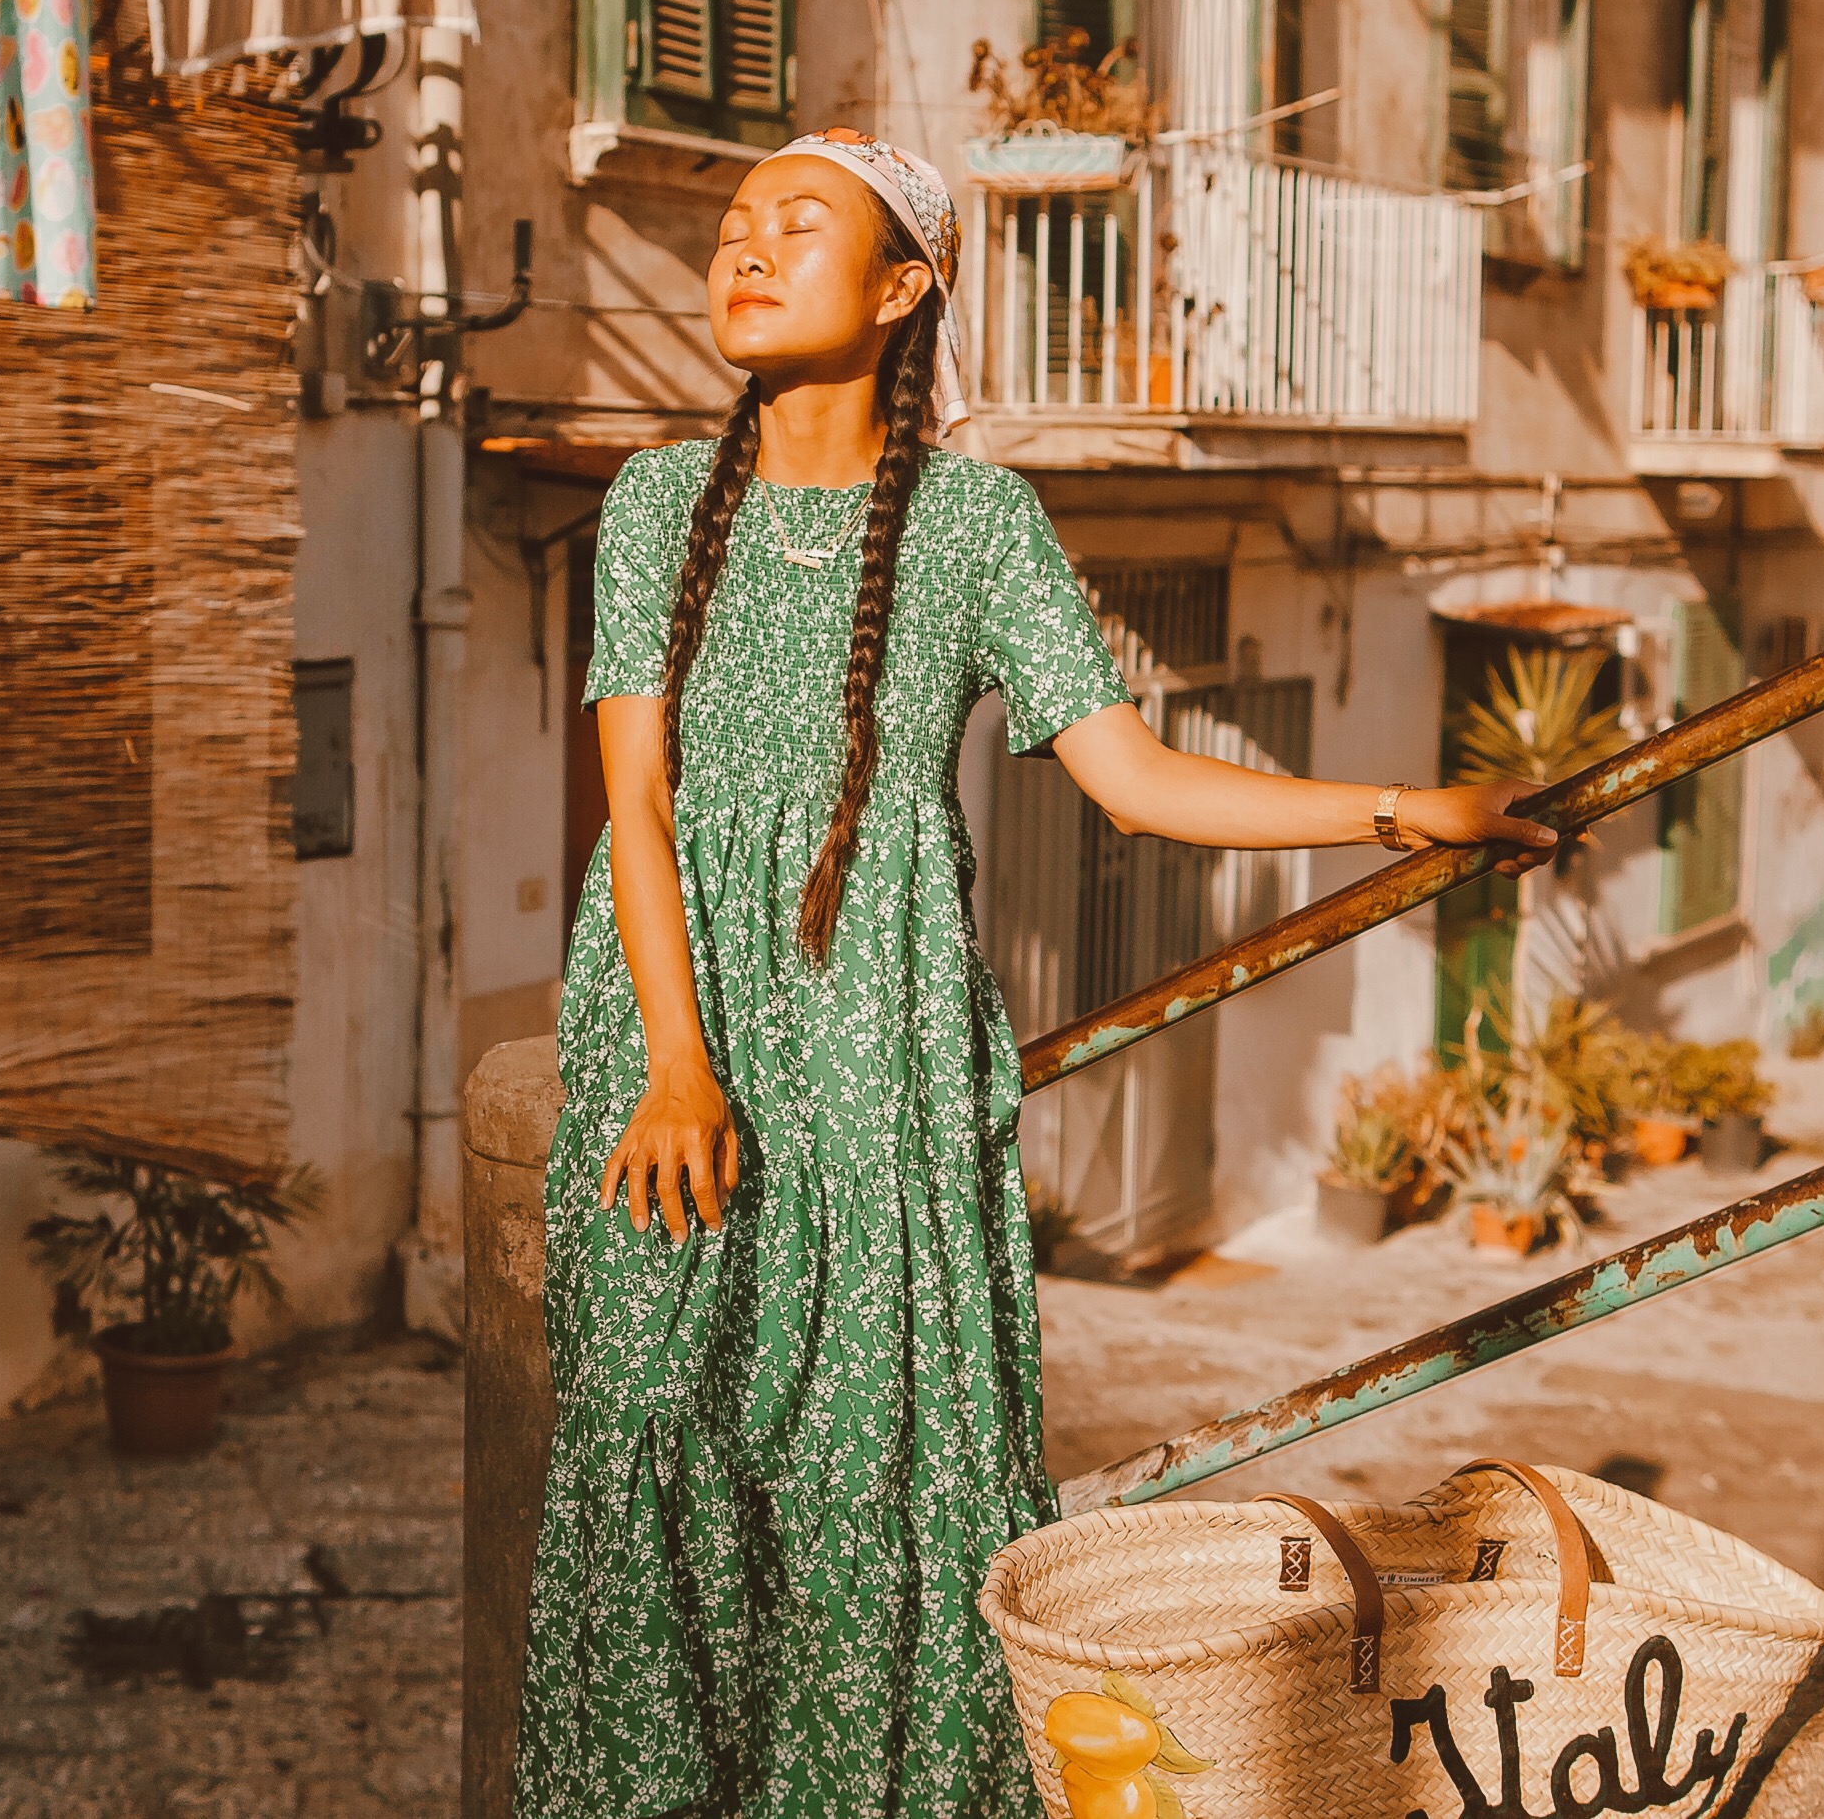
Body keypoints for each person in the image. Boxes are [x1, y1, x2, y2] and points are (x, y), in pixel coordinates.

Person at [514, 131, 1557, 1819]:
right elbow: (633, 802)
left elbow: (1134, 776)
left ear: (904, 285)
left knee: (871, 1480)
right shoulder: (648, 504)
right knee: (652, 1446)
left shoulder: (979, 523)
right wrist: (676, 1062)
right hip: (673, 1061)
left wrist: (1397, 806)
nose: (747, 250)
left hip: (885, 1063)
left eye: (799, 225)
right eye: (731, 228)